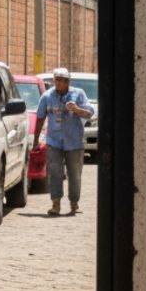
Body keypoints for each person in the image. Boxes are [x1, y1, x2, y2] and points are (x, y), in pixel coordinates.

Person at [32, 66, 94, 216]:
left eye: (64, 80)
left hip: (75, 142)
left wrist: (77, 109)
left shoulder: (78, 94)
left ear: (68, 81)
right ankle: (56, 204)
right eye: (57, 80)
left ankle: (74, 203)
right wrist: (36, 141)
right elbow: (40, 119)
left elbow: (89, 113)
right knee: (55, 173)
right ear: (54, 81)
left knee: (75, 174)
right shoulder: (47, 96)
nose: (60, 83)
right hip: (54, 142)